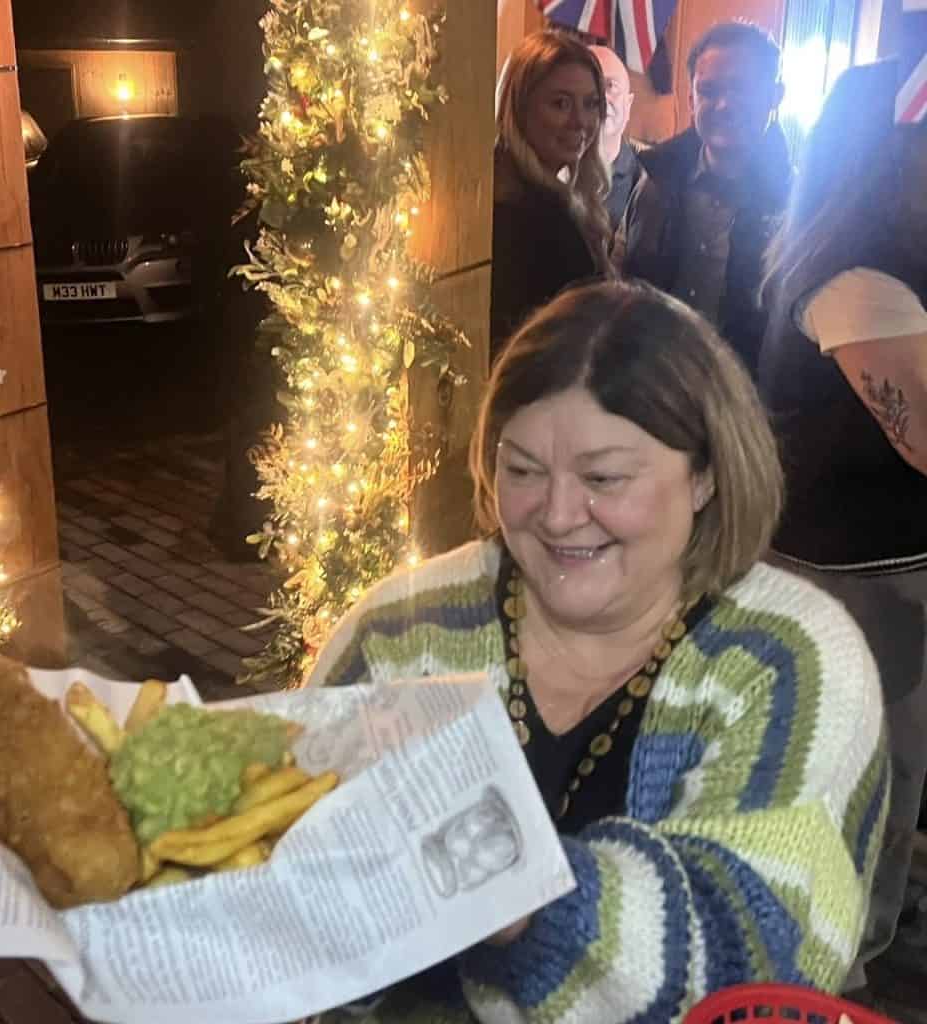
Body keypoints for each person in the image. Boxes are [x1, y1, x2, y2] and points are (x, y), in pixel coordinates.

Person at [308, 281, 887, 1021]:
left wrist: (509, 888)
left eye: (603, 477)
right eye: (521, 470)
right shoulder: (402, 628)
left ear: (705, 475)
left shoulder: (792, 657)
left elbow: (752, 956)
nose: (555, 515)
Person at [759, 59, 927, 991]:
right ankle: (840, 966)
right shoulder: (855, 277)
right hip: (860, 576)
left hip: (879, 565)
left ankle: (870, 927)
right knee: (872, 779)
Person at [622, 20, 791, 377]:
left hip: (745, 403)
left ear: (775, 96)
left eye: (741, 89)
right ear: (691, 99)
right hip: (653, 388)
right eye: (708, 91)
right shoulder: (654, 183)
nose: (724, 104)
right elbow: (625, 282)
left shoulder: (796, 204)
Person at [491, 30, 612, 361]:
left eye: (591, 104)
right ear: (518, 107)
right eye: (560, 104)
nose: (580, 122)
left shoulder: (551, 196)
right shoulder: (518, 212)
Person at [589, 44, 641, 232]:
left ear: (628, 104)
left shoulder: (650, 180)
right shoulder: (546, 174)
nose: (601, 98)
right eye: (589, 85)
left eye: (611, 86)